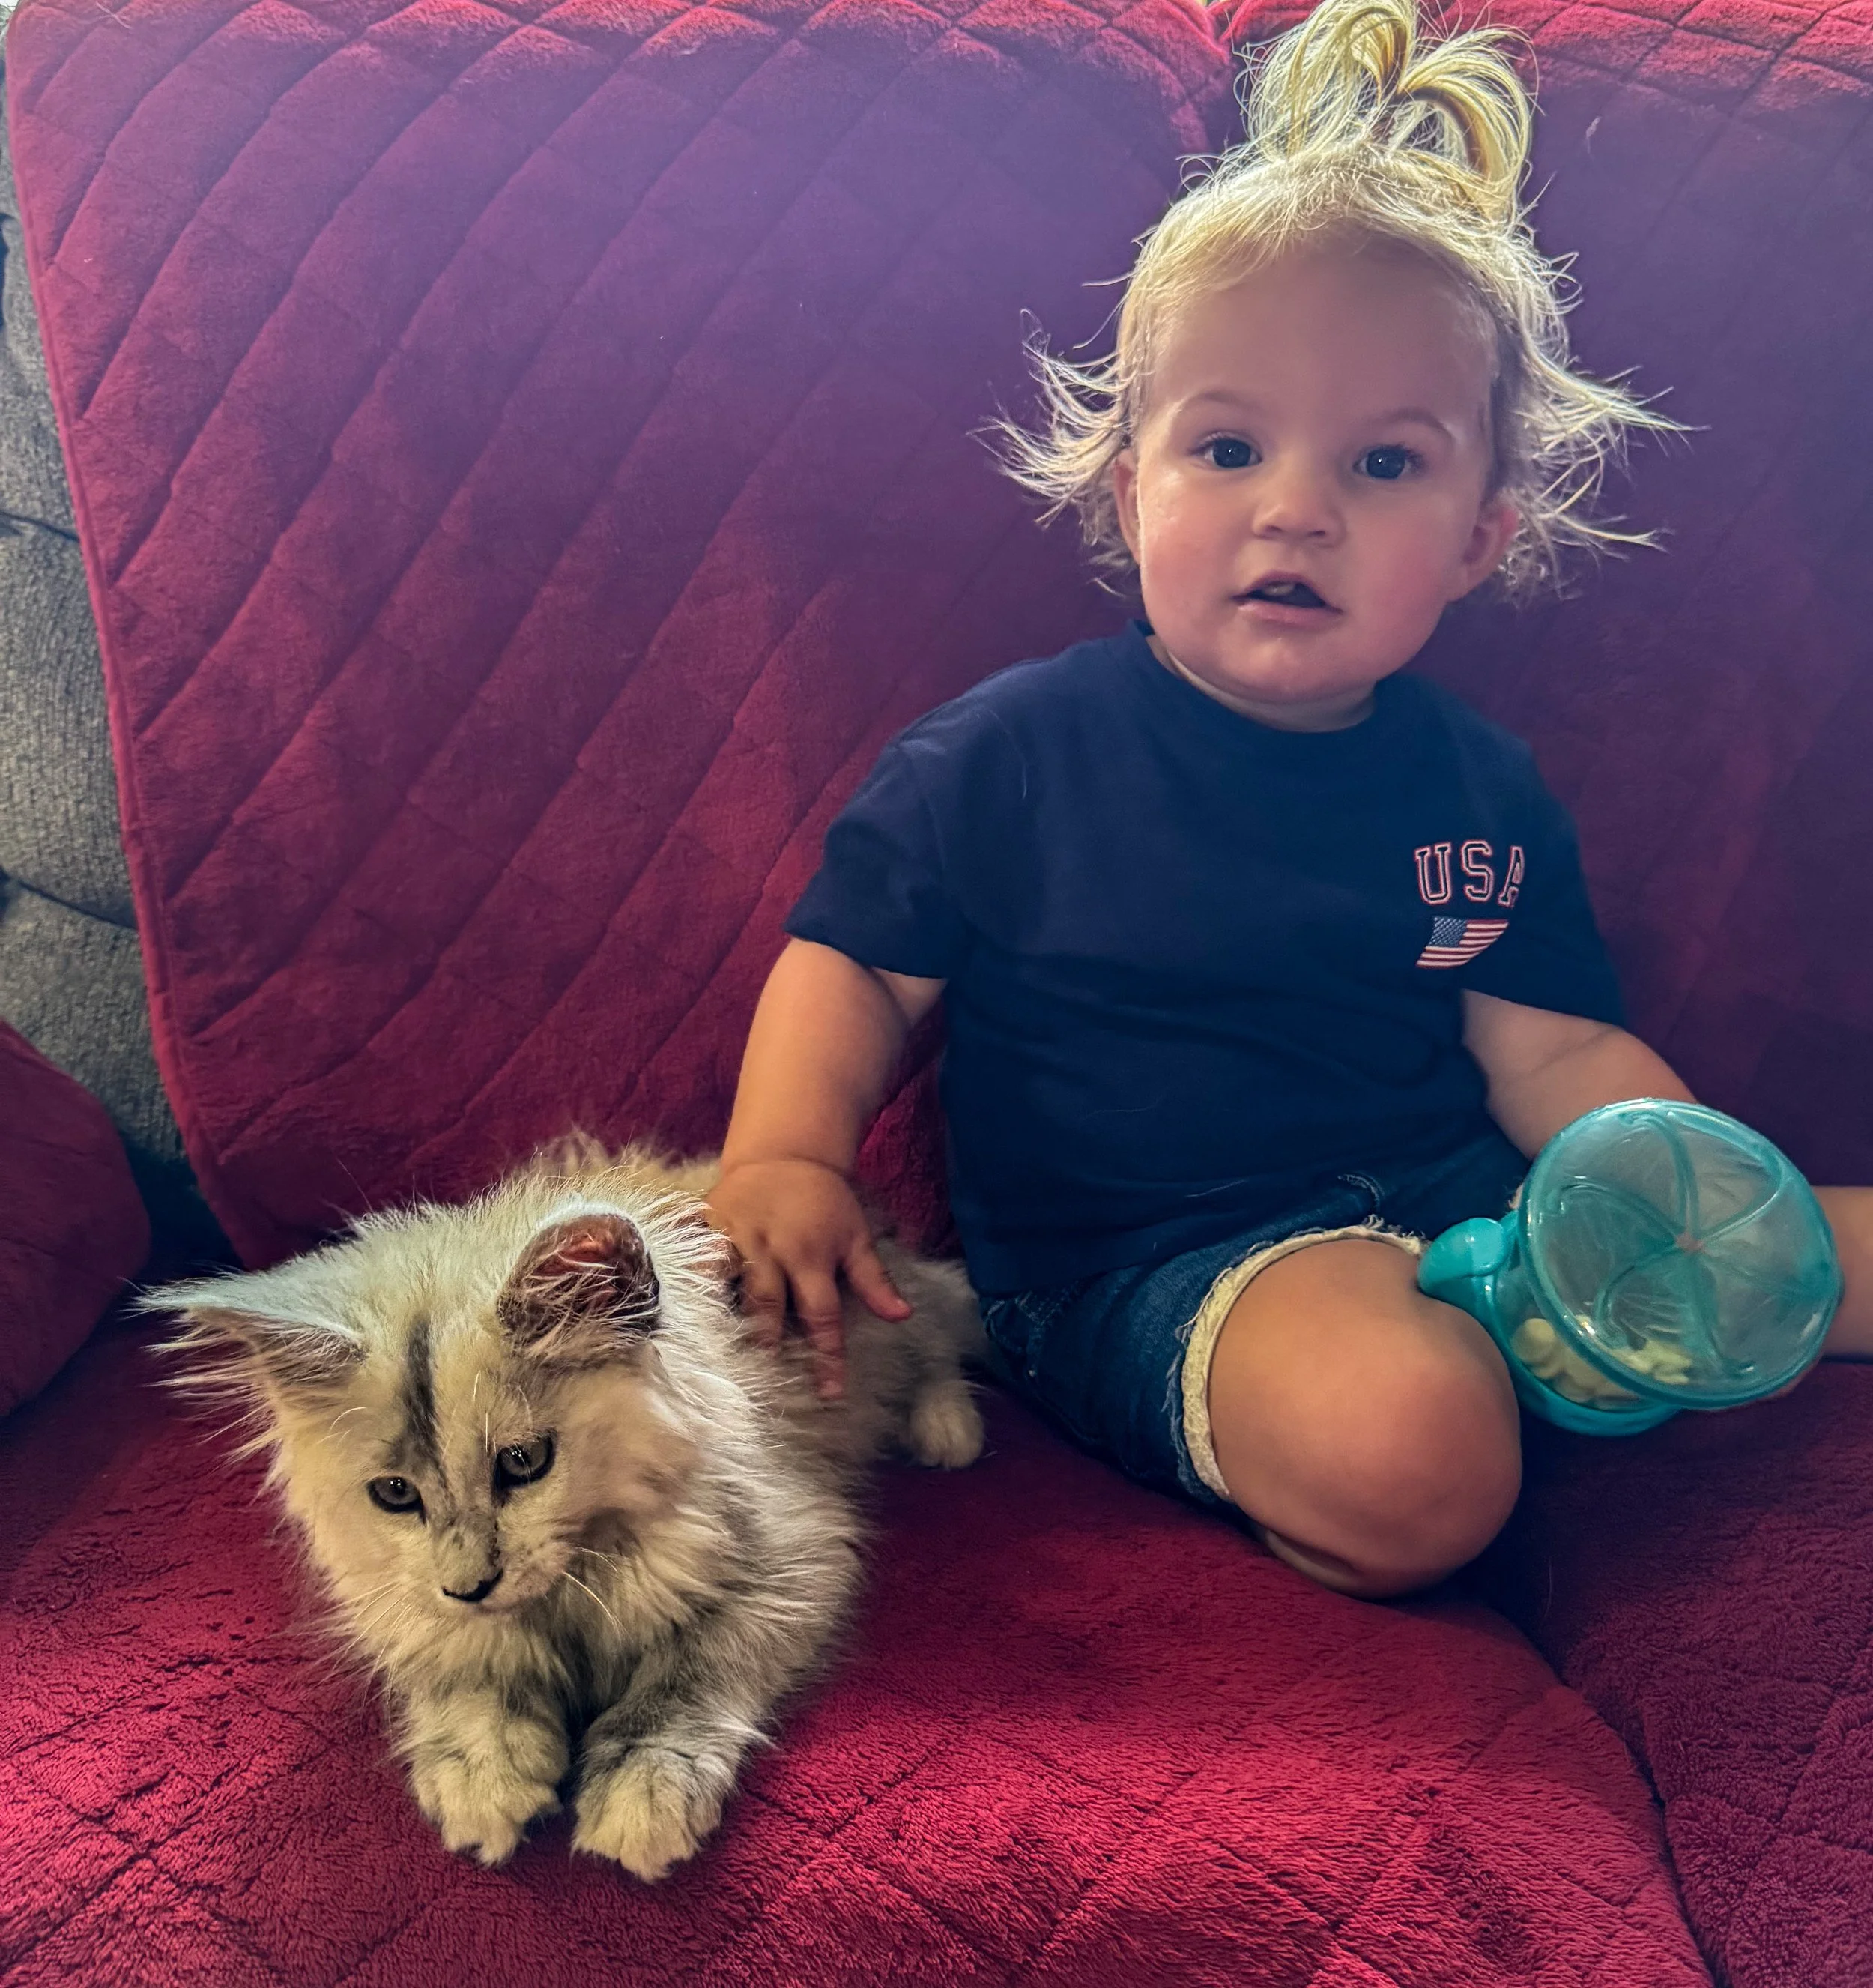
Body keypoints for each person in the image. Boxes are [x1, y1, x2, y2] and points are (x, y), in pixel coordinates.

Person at [706, 0, 1873, 1598]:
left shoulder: (1478, 783)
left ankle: (1545, 1332)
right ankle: (1432, 1430)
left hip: (1461, 1207)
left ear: (1479, 535)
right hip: (1152, 1265)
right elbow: (854, 961)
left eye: (1383, 465)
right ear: (1130, 492)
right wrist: (784, 1155)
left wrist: (1683, 1203)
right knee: (1414, 1442)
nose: (1297, 511)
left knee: (1817, 1253)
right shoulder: (1010, 756)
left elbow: (1546, 1042)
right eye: (1230, 446)